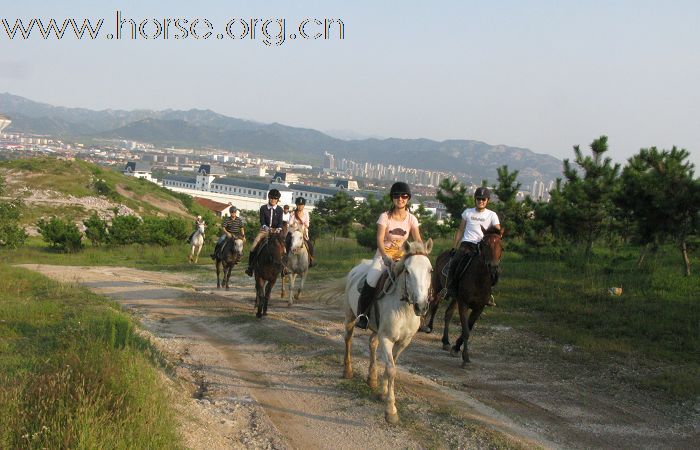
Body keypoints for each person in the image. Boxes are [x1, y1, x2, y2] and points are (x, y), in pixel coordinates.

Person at [355, 182, 422, 329]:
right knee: (371, 281)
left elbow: (417, 240)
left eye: (404, 196)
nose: (400, 199)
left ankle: (421, 312)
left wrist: (420, 254)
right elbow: (379, 239)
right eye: (397, 196)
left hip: (403, 258)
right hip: (383, 256)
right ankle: (363, 315)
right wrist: (385, 256)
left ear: (408, 198)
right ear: (392, 198)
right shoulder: (384, 217)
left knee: (419, 279)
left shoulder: (412, 219)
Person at [444, 186, 501, 304]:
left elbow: (497, 233)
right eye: (478, 199)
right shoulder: (468, 212)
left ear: (487, 201)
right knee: (455, 262)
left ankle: (488, 294)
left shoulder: (492, 215)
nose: (481, 201)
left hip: (483, 246)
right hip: (467, 244)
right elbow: (460, 230)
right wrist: (455, 245)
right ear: (475, 199)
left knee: (493, 268)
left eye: (483, 199)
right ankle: (451, 288)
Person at [245, 189, 284, 276]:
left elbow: (280, 222)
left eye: (275, 199)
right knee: (253, 246)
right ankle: (250, 267)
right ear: (269, 198)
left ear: (277, 200)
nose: (273, 200)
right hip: (264, 231)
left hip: (276, 232)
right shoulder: (263, 208)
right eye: (271, 198)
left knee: (283, 248)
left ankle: (283, 268)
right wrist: (266, 227)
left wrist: (279, 228)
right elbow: (262, 221)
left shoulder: (280, 210)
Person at [286, 196, 315, 267]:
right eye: (299, 205)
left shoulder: (306, 213)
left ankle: (311, 259)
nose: (300, 206)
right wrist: (294, 225)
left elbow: (307, 224)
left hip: (303, 231)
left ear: (304, 205)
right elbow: (290, 222)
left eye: (301, 205)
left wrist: (302, 226)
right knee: (286, 242)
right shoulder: (293, 213)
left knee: (310, 245)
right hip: (293, 231)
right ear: (296, 205)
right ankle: (285, 259)